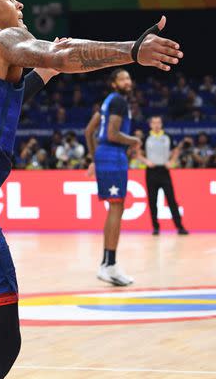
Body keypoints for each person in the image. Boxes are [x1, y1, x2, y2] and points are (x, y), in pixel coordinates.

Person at [0, 0, 182, 378]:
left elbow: (3, 100)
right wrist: (132, 50)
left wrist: (45, 74)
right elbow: (61, 53)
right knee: (1, 345)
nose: (21, 4)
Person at [85, 69, 141, 286]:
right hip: (114, 155)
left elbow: (89, 130)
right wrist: (134, 140)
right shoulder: (119, 101)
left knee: (114, 208)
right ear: (114, 83)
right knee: (117, 208)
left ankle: (107, 263)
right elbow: (112, 134)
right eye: (123, 78)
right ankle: (110, 265)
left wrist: (94, 158)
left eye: (129, 77)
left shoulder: (107, 102)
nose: (128, 81)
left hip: (104, 155)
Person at [143, 115, 188, 235]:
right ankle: (155, 227)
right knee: (153, 201)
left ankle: (179, 226)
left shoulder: (167, 137)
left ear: (161, 124)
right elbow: (136, 152)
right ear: (150, 124)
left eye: (158, 123)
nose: (156, 125)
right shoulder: (146, 137)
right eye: (154, 123)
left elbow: (176, 150)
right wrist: (145, 161)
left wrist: (172, 161)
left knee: (171, 199)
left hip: (164, 171)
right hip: (151, 171)